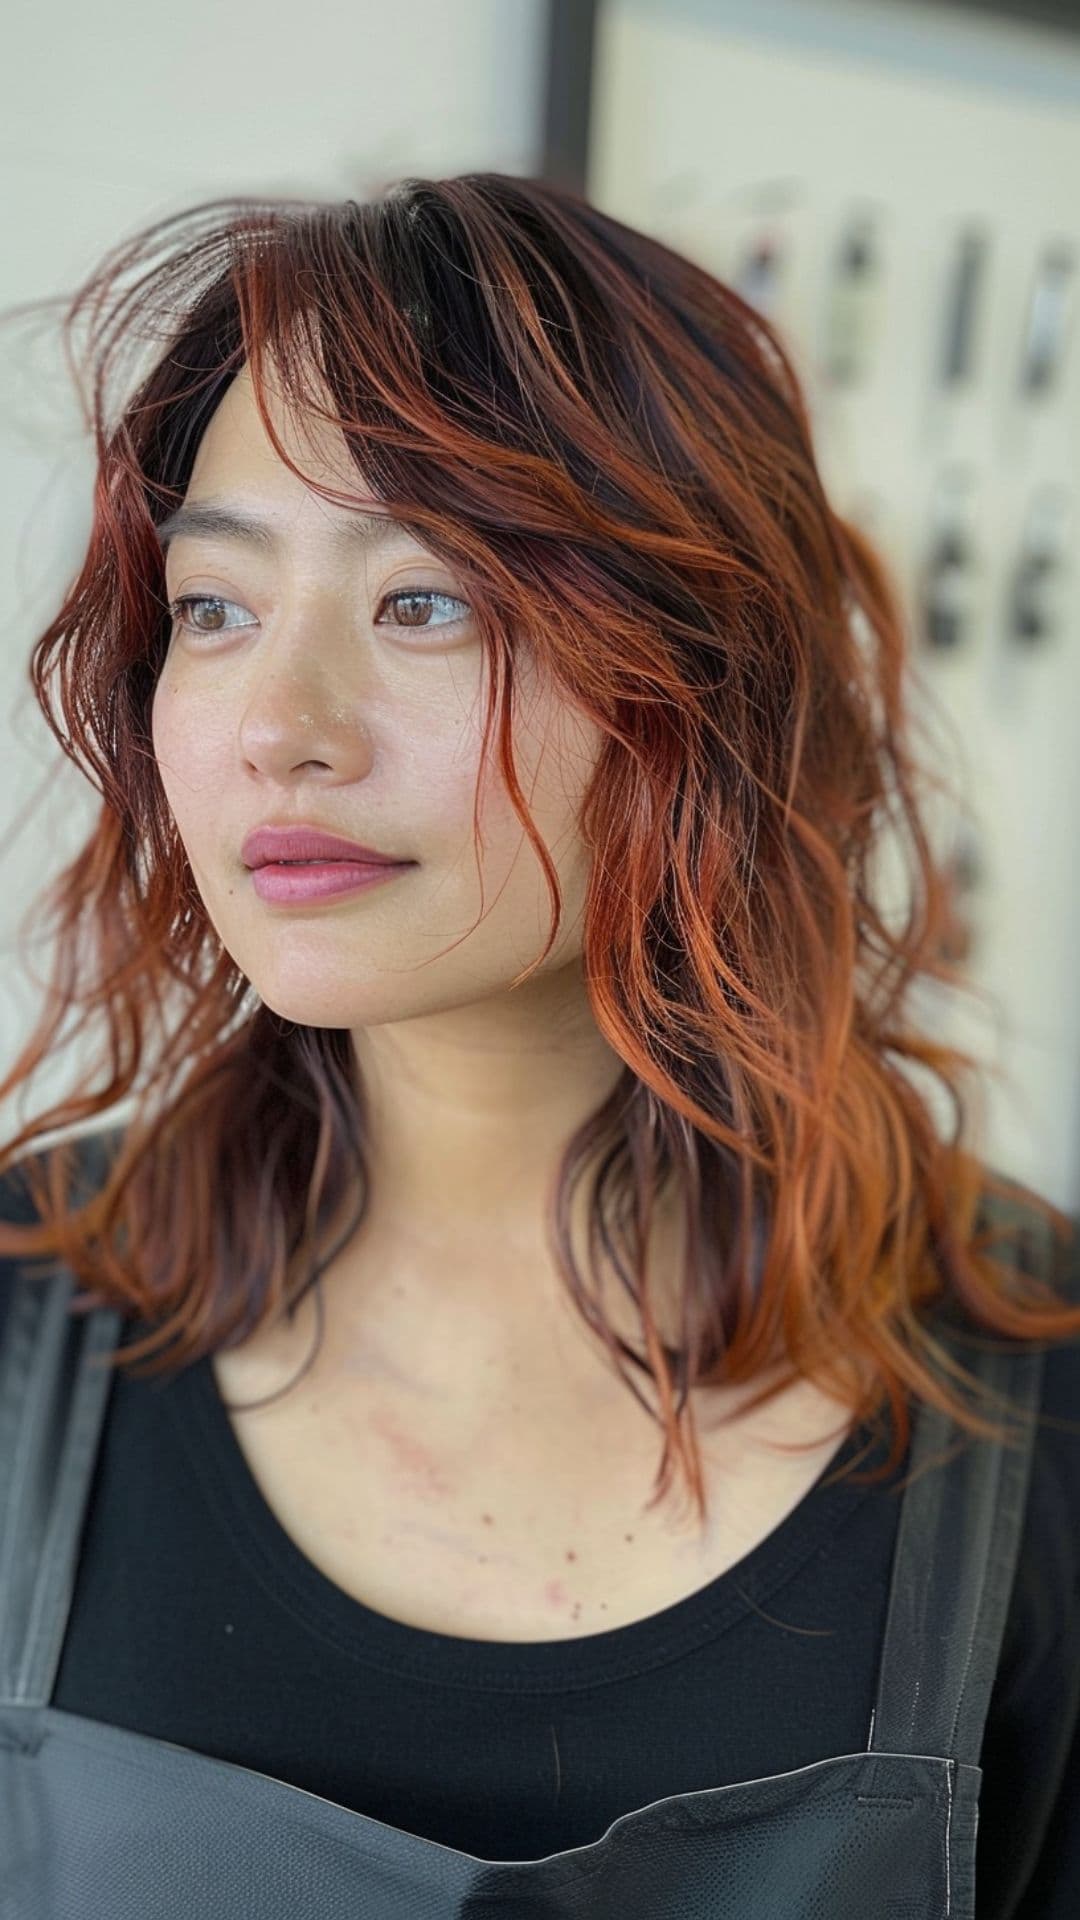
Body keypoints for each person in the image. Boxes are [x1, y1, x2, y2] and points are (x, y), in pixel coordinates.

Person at [0, 171, 1077, 1919]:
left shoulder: (1036, 1392)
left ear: (698, 670)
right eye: (216, 607)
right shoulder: (24, 1316)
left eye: (428, 601)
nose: (283, 726)